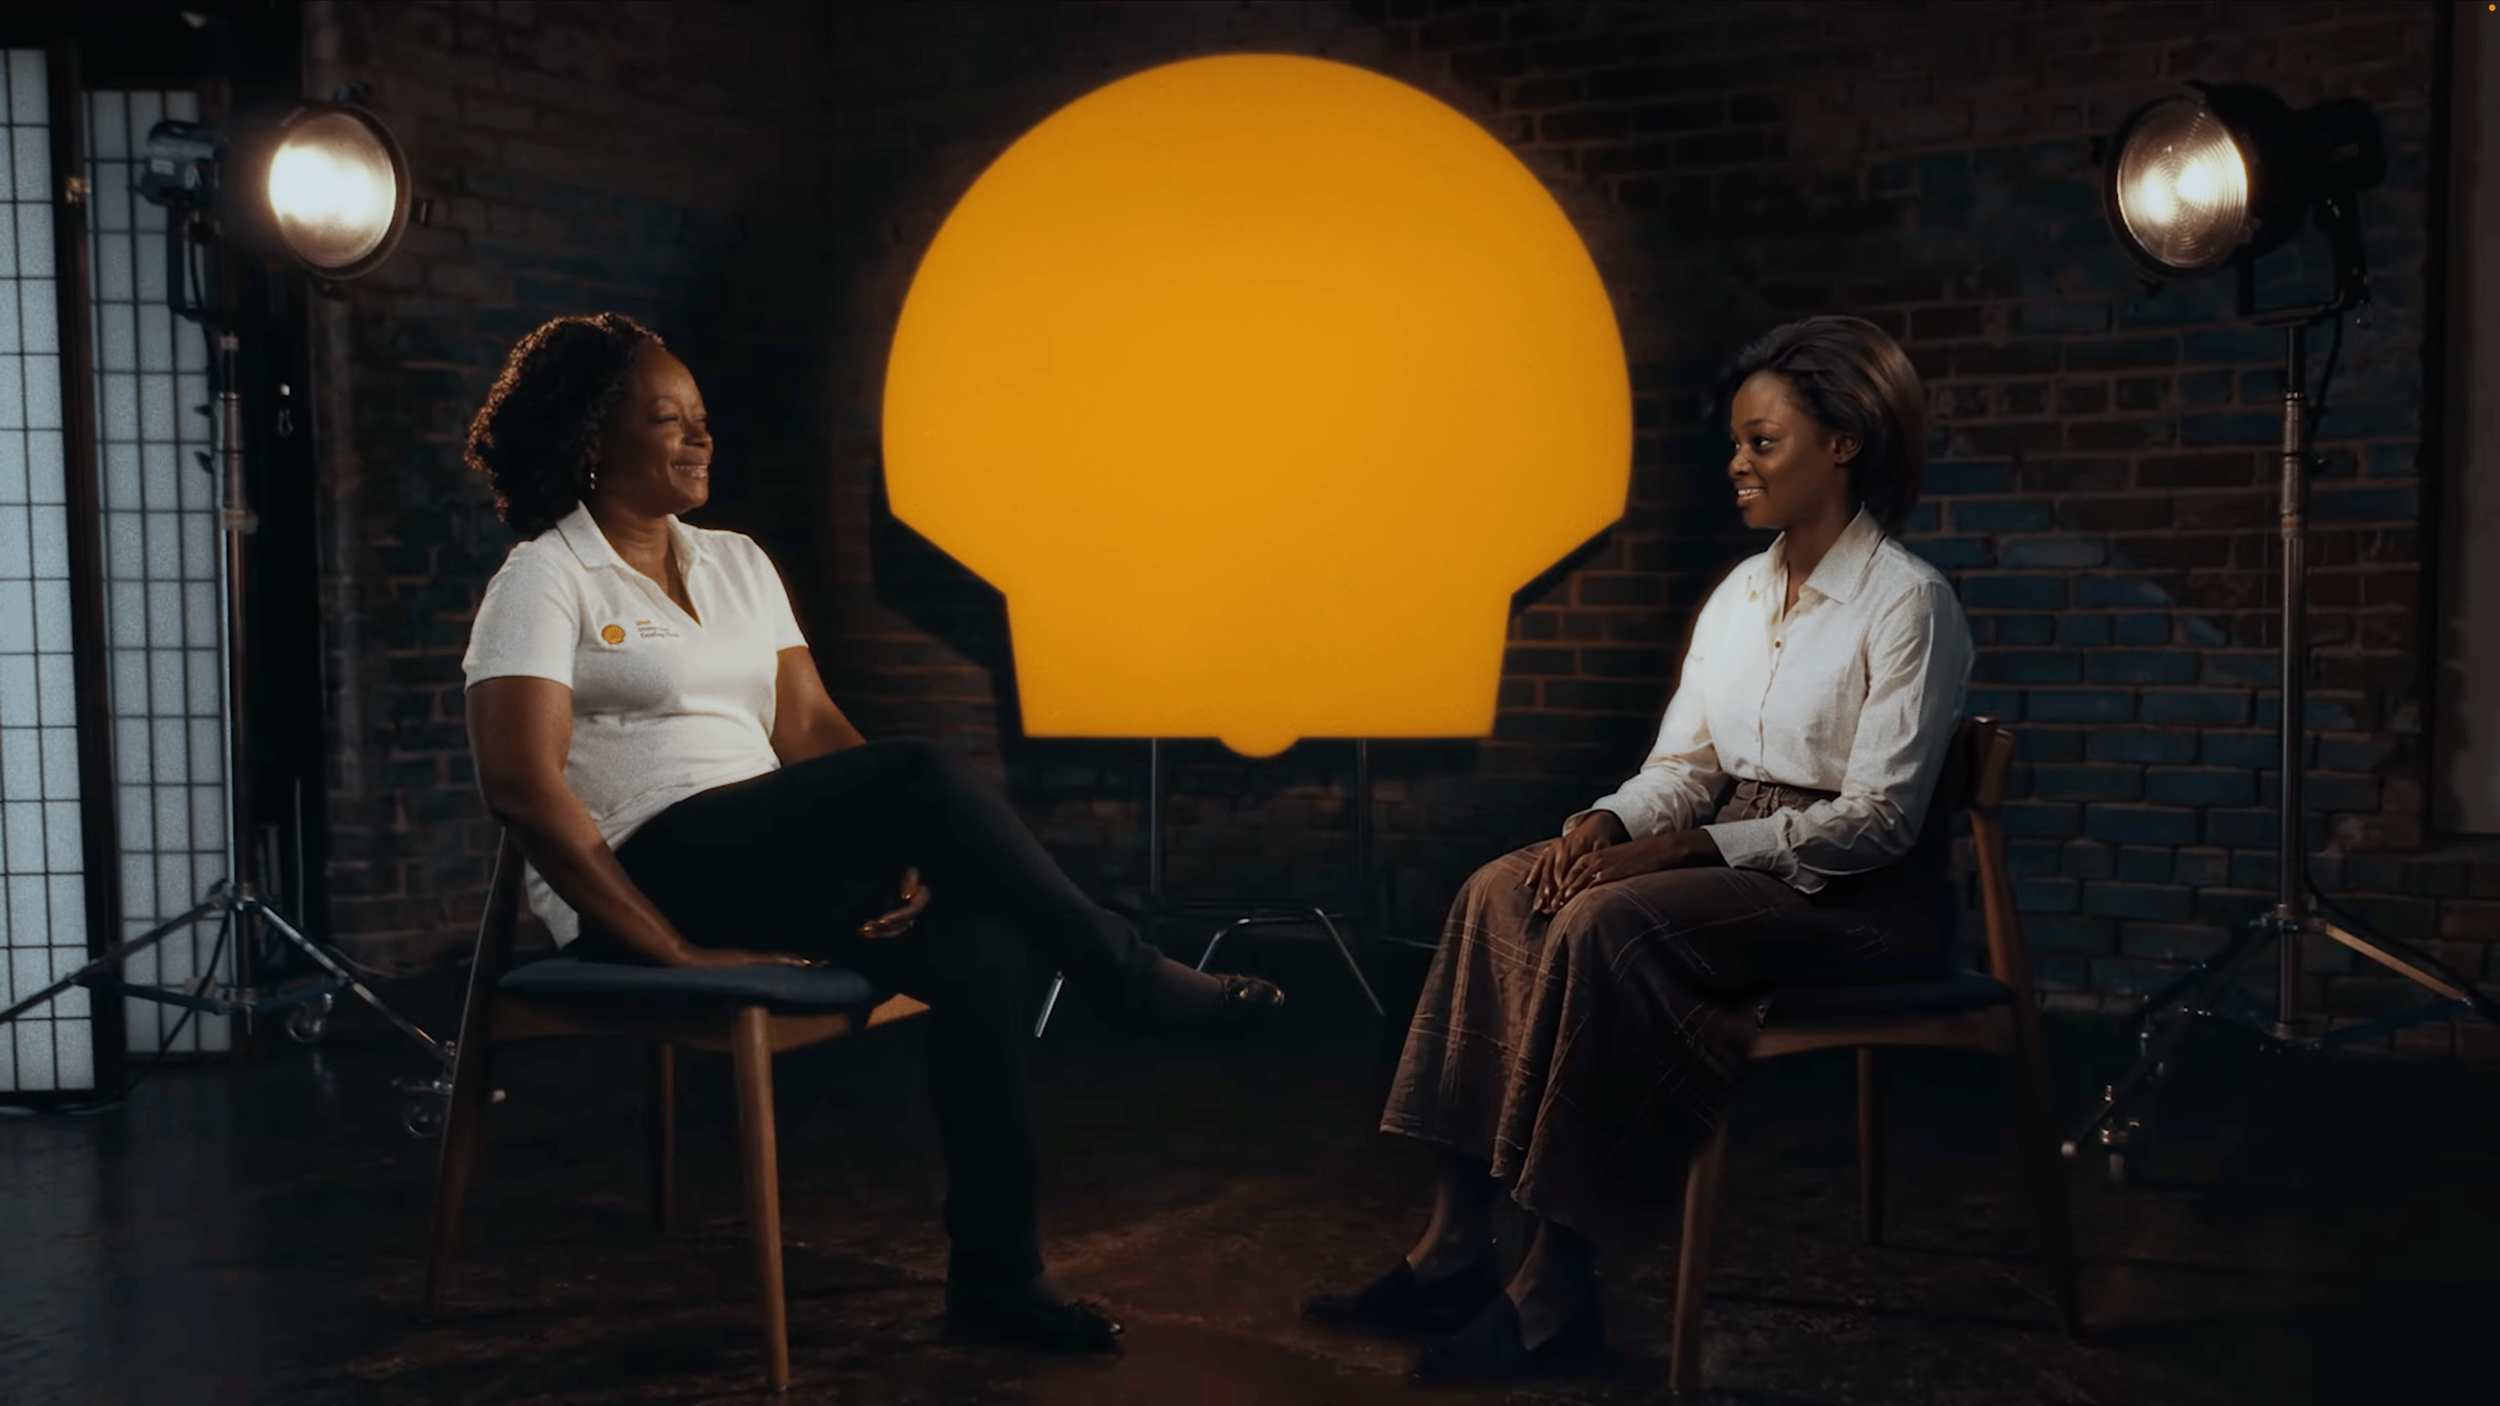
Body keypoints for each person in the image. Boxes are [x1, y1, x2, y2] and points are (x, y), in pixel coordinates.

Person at [458, 311, 1285, 1355]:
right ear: (589, 439)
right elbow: (521, 786)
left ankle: (996, 1273)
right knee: (919, 767)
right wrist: (665, 947)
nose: (700, 437)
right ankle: (1125, 972)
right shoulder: (543, 578)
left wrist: (908, 845)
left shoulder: (738, 563)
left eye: (702, 418)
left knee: (980, 946)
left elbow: (808, 728)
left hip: (761, 853)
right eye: (666, 419)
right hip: (644, 872)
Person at [1301, 315, 1973, 1383]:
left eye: (1763, 442)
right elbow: (1685, 760)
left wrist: (1683, 851)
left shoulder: (1909, 604)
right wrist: (1611, 821)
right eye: (1735, 443)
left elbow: (1880, 820)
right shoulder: (1743, 594)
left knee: (1607, 921)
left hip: (1856, 900)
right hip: (1725, 859)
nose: (1736, 463)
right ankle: (1453, 1248)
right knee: (1500, 889)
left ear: (1842, 442)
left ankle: (1552, 1289)